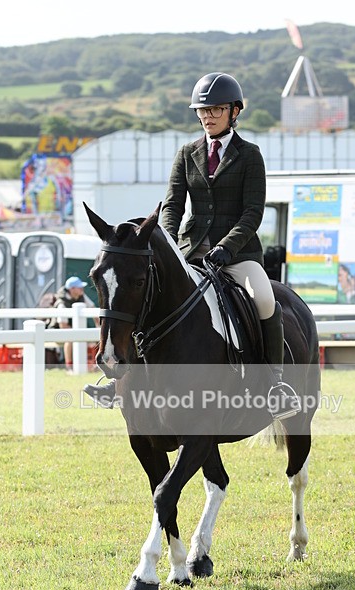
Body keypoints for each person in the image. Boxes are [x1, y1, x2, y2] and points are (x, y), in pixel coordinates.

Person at [85, 72, 300, 418]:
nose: (207, 116)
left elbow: (252, 212)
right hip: (189, 252)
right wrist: (166, 244)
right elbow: (172, 205)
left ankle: (274, 384)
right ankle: (121, 381)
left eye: (215, 109)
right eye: (202, 110)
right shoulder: (187, 153)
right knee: (146, 299)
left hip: (237, 255)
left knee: (264, 298)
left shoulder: (250, 155)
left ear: (234, 111)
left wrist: (226, 248)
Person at [52, 276, 95, 372]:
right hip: (58, 331)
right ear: (72, 289)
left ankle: (93, 365)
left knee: (93, 337)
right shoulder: (61, 304)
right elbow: (63, 327)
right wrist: (78, 333)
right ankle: (69, 367)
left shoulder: (82, 296)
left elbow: (92, 308)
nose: (82, 289)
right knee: (70, 339)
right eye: (79, 287)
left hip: (75, 329)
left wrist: (98, 326)